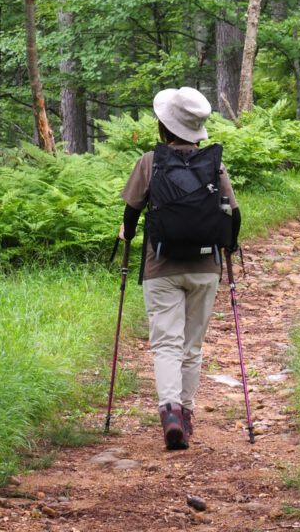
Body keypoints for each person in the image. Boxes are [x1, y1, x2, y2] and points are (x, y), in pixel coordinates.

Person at [118, 87, 240, 450]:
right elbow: (233, 215)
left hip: (162, 267)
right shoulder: (213, 164)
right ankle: (186, 413)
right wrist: (228, 249)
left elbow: (130, 214)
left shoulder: (149, 162)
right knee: (193, 345)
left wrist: (128, 235)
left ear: (164, 126)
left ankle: (170, 411)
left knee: (166, 343)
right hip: (205, 268)